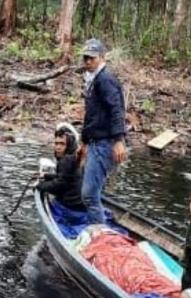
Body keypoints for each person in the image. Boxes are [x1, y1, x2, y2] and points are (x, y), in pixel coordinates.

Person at [77, 38, 127, 224]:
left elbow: (116, 110)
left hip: (106, 143)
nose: (88, 61)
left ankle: (100, 236)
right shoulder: (93, 79)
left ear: (102, 57)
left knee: (89, 195)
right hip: (96, 142)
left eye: (92, 58)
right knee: (92, 193)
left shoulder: (105, 80)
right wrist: (83, 141)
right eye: (85, 58)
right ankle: (98, 227)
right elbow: (91, 115)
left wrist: (119, 140)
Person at [36, 123, 86, 211]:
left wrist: (40, 185)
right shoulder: (74, 158)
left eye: (62, 144)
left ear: (69, 145)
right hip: (79, 203)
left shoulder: (65, 161)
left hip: (70, 207)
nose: (58, 147)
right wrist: (46, 175)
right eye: (56, 143)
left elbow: (58, 186)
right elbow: (65, 177)